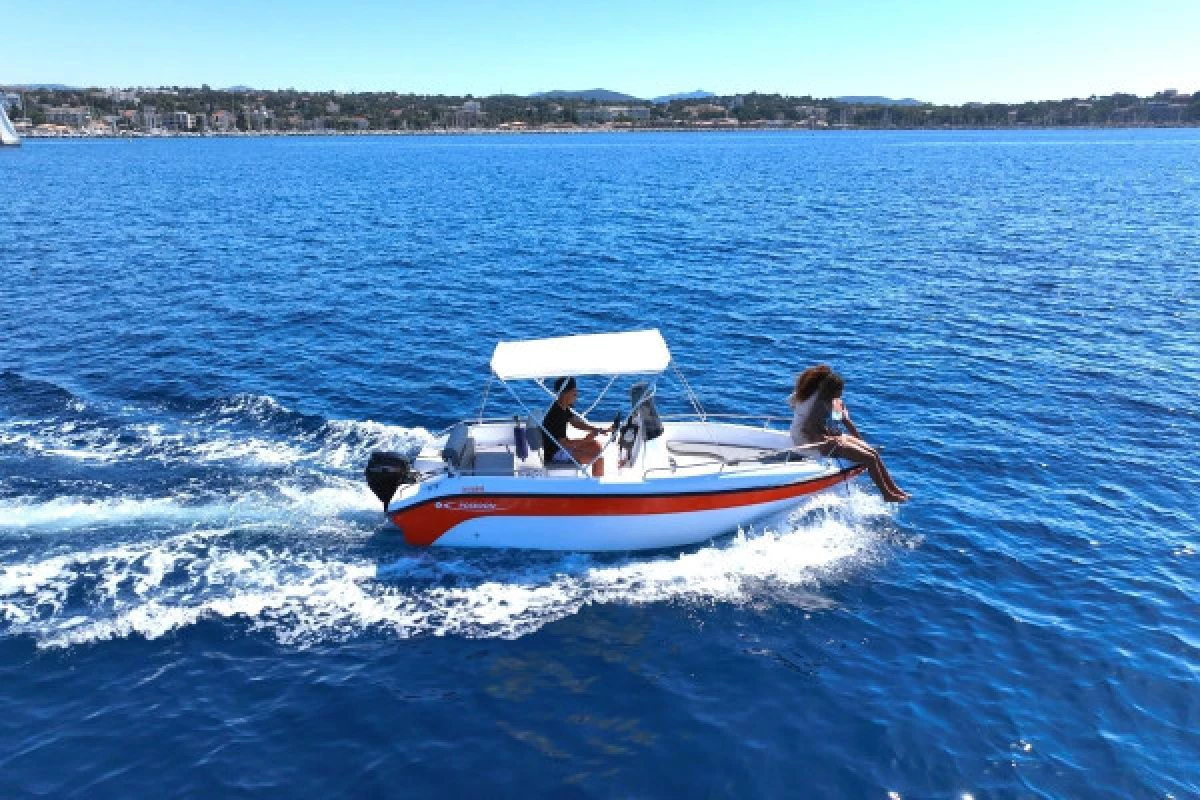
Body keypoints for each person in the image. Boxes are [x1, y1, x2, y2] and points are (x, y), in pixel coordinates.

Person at [789, 368, 910, 503]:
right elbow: (809, 428)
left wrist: (860, 442)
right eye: (839, 391)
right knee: (869, 458)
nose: (842, 393)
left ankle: (893, 488)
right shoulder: (819, 403)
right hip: (812, 440)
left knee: (873, 453)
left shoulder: (834, 401)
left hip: (824, 435)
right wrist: (827, 439)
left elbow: (842, 421)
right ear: (831, 391)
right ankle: (886, 494)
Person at [542, 376, 614, 476]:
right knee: (599, 460)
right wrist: (585, 440)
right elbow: (564, 444)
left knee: (596, 446)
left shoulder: (562, 407)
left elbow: (575, 423)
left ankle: (593, 478)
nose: (576, 395)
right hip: (555, 454)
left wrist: (598, 430)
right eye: (574, 392)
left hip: (561, 448)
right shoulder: (555, 415)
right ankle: (596, 490)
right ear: (564, 393)